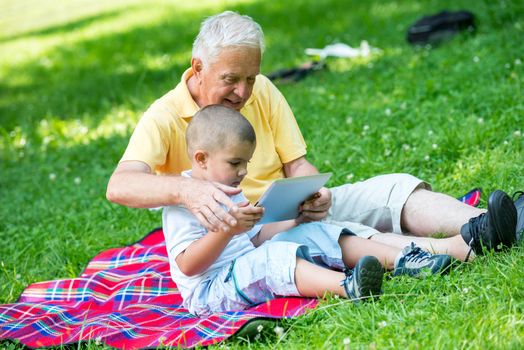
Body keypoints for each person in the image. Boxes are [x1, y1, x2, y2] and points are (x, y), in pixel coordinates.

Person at [106, 11, 518, 266]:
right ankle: (469, 242)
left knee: (390, 189)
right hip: (245, 241)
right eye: (231, 80)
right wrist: (185, 191)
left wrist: (312, 188)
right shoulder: (163, 116)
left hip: (290, 211)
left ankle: (497, 224)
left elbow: (297, 164)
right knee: (346, 235)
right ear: (198, 67)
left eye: (251, 77)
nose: (244, 92)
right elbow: (120, 186)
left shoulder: (263, 89)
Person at [164, 105, 453, 315]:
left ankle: (407, 260)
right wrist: (226, 231)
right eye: (235, 163)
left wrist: (296, 219)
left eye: (246, 163)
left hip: (247, 261)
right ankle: (348, 286)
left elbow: (256, 238)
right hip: (211, 291)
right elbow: (189, 266)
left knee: (312, 230)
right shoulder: (181, 205)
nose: (243, 171)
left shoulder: (230, 190)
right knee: (270, 258)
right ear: (201, 159)